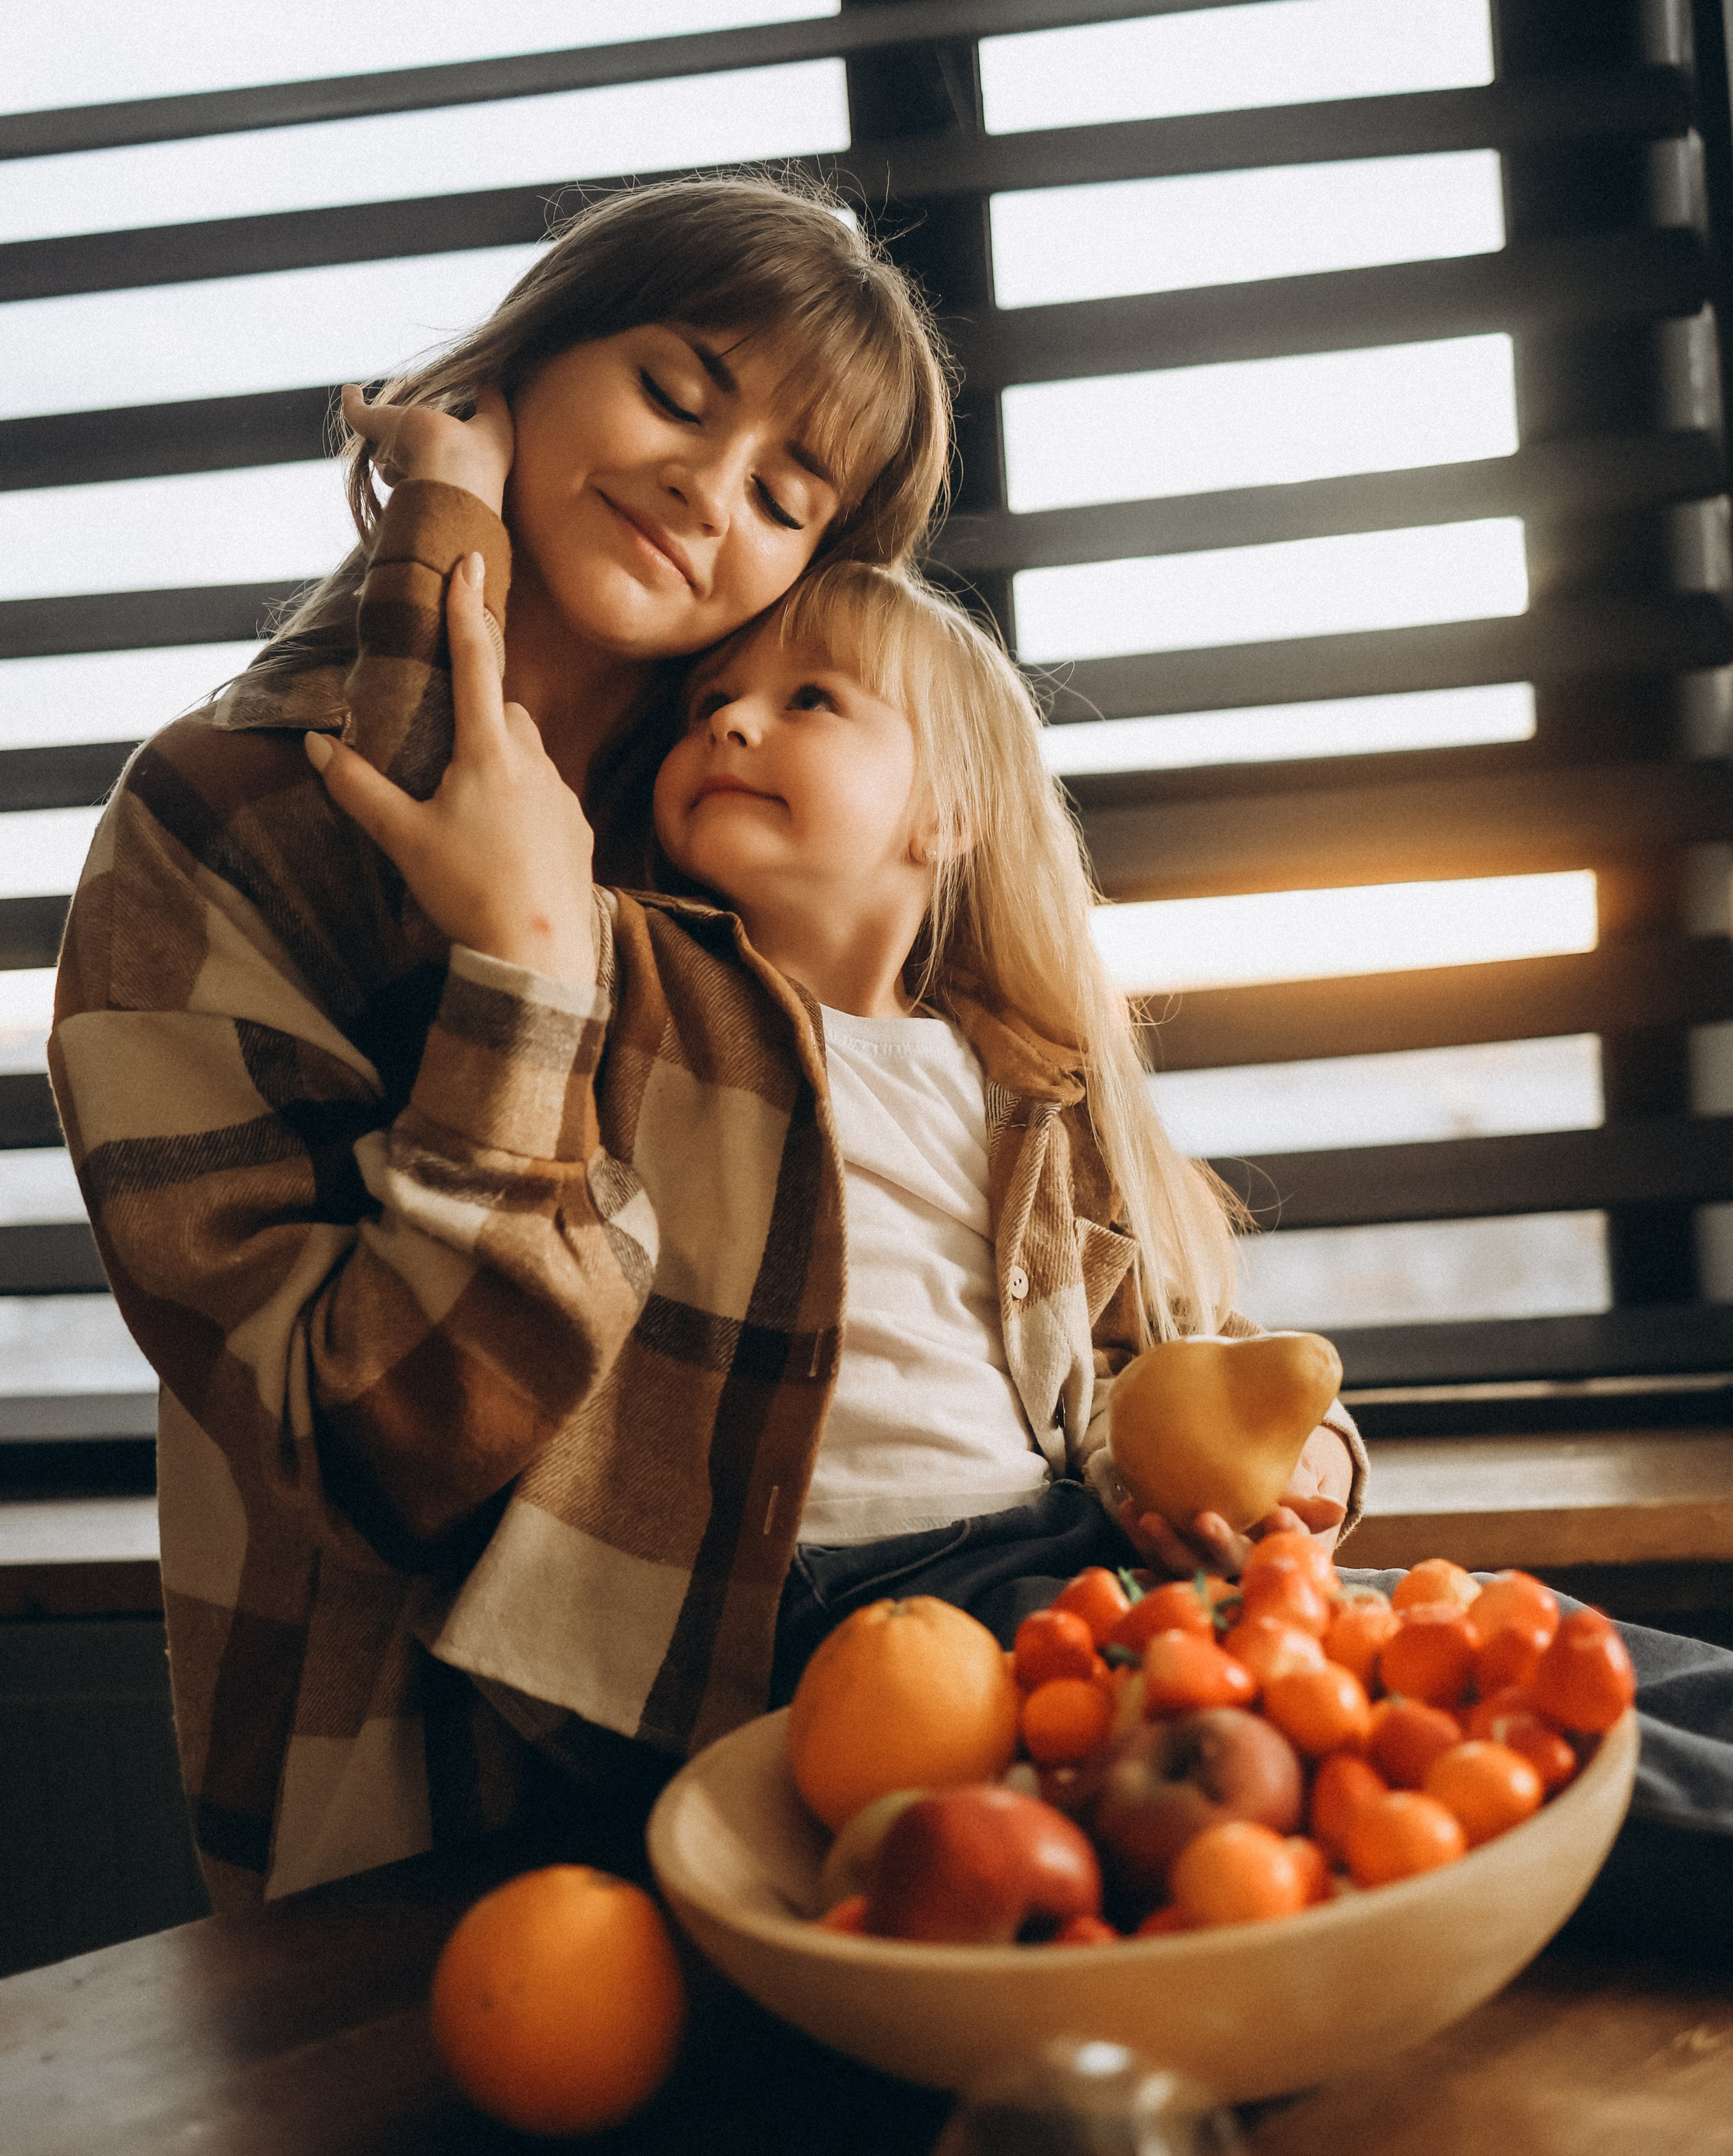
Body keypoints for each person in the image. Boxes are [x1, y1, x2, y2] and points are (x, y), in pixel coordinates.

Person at [50, 174, 955, 1907]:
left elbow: (991, 1190)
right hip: (430, 1827)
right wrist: (528, 971)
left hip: (817, 1791)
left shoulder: (741, 838)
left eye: (784, 490)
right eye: (678, 395)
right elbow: (369, 1435)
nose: (707, 484)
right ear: (513, 372)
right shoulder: (217, 817)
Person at [301, 546, 1365, 1814]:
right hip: (805, 1604)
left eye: (813, 700)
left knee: (1423, 1662)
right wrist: (438, 520)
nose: (733, 721)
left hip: (1049, 1554)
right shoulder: (635, 982)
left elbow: (1171, 1360)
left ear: (948, 810)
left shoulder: (1028, 1089)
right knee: (1338, 1725)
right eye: (708, 709)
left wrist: (1311, 1474)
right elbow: (436, 763)